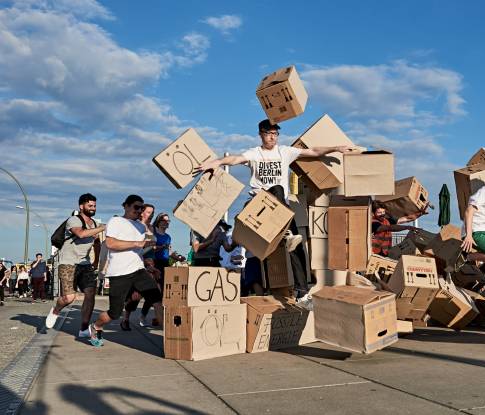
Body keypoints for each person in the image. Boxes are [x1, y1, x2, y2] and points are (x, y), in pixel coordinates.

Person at [195, 119, 355, 295]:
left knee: (297, 245)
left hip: (282, 209)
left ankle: (301, 290)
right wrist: (217, 162)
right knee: (277, 189)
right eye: (268, 133)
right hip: (259, 206)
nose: (272, 137)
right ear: (261, 134)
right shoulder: (254, 153)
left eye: (275, 134)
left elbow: (313, 151)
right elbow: (234, 158)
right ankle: (283, 241)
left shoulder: (285, 151)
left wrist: (336, 148)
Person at [87, 195, 163, 347]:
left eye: (141, 208)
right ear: (126, 206)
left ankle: (170, 338)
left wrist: (149, 265)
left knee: (157, 298)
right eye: (136, 207)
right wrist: (137, 243)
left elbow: (137, 252)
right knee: (114, 313)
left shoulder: (140, 227)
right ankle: (96, 326)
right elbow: (111, 243)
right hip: (119, 273)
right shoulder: (116, 221)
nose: (139, 211)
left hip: (138, 270)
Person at [45, 194, 105, 335]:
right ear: (81, 206)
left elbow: (96, 243)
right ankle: (56, 310)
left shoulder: (95, 224)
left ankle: (84, 328)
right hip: (68, 263)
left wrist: (96, 260)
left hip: (85, 264)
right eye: (90, 206)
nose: (93, 208)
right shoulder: (73, 220)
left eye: (94, 206)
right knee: (69, 298)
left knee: (90, 294)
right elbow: (81, 234)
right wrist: (102, 228)